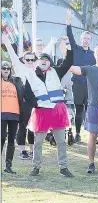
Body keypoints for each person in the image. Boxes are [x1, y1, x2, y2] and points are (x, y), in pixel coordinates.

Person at [25, 46, 74, 177]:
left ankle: (63, 167)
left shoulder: (56, 71)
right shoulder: (32, 75)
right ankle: (36, 167)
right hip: (41, 112)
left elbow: (68, 62)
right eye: (42, 59)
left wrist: (67, 47)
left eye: (47, 59)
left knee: (61, 141)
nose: (44, 61)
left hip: (57, 111)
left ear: (49, 62)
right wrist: (37, 104)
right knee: (38, 142)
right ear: (38, 61)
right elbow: (27, 94)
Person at [69, 44, 98, 174]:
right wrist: (66, 55)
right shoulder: (89, 69)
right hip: (93, 107)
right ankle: (91, 164)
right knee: (92, 135)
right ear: (95, 56)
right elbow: (72, 69)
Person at [3, 33, 35, 160]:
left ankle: (33, 150)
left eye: (32, 59)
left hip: (34, 102)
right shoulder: (19, 67)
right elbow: (12, 54)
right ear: (23, 60)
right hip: (22, 102)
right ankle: (23, 151)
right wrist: (6, 42)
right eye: (28, 59)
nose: (30, 62)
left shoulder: (36, 70)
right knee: (22, 126)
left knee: (33, 127)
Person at [65, 9, 95, 144]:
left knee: (90, 111)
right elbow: (70, 35)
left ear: (90, 41)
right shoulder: (76, 49)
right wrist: (68, 22)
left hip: (90, 86)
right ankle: (77, 134)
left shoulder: (94, 54)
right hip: (77, 84)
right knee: (79, 110)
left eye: (88, 39)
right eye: (84, 38)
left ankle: (91, 135)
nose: (86, 41)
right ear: (81, 39)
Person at [1, 61, 24, 174]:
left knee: (11, 140)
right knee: (1, 137)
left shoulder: (16, 81)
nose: (6, 70)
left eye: (8, 68)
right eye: (3, 68)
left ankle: (8, 166)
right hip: (2, 113)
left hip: (14, 114)